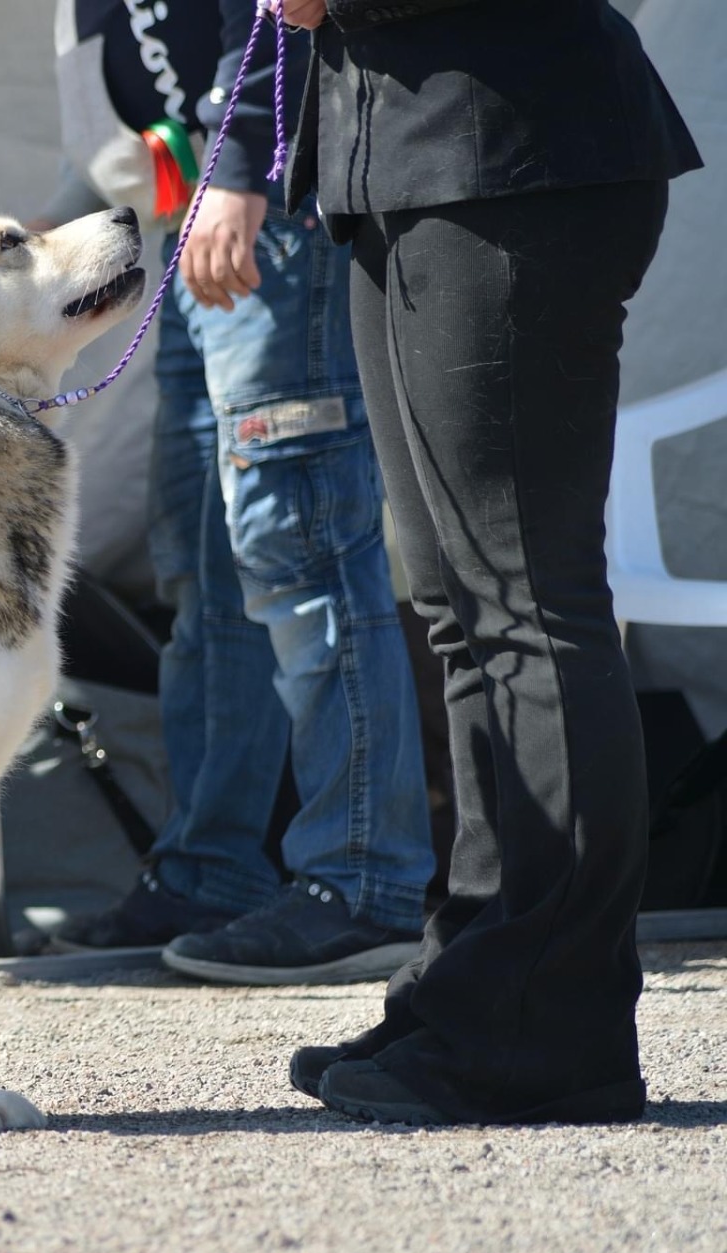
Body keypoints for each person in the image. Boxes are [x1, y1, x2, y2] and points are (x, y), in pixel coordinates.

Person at [276, 0, 702, 1124]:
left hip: (509, 152)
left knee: (525, 604)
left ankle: (544, 1026)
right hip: (398, 159)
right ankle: (474, 982)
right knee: (462, 612)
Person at [41, 0, 436, 984]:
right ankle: (212, 865)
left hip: (269, 210)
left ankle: (365, 876)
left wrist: (242, 160)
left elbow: (273, 16)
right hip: (200, 219)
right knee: (209, 563)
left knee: (299, 542)